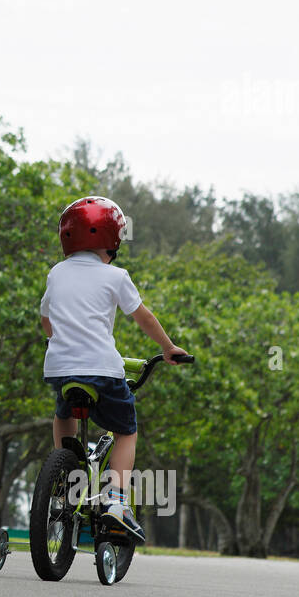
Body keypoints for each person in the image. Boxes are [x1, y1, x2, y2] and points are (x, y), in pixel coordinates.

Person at [38, 196, 188, 543]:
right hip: (103, 369)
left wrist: (56, 342)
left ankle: (65, 471)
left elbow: (46, 320)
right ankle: (117, 502)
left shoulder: (56, 274)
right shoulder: (116, 276)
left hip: (60, 368)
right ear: (111, 243)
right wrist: (168, 349)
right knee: (126, 430)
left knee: (63, 412)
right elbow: (143, 317)